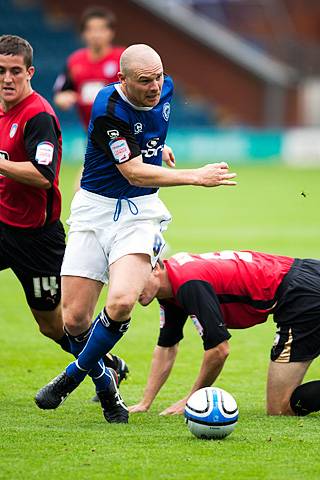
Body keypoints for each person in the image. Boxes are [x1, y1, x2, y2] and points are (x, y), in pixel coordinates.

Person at [35, 44, 237, 424]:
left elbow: (146, 140)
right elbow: (132, 171)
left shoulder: (166, 89)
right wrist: (196, 176)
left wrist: (159, 147)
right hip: (94, 209)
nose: (156, 86)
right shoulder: (108, 107)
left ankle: (71, 376)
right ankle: (105, 385)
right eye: (145, 81)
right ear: (122, 80)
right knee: (74, 319)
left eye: (159, 76)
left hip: (139, 214)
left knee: (123, 301)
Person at [0, 35, 128, 385]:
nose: (7, 78)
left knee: (54, 325)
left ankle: (106, 364)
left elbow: (43, 176)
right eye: (0, 71)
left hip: (35, 239)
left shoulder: (37, 115)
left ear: (30, 72)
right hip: (2, 225)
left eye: (15, 71)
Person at [130, 249, 320, 417]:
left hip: (301, 295)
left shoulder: (189, 283)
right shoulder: (171, 285)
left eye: (135, 279)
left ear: (156, 268)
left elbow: (219, 350)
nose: (130, 288)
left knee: (280, 408)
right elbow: (167, 346)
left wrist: (191, 399)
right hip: (305, 278)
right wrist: (145, 403)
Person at [53, 6, 125, 129]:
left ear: (111, 32)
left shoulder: (123, 58)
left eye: (101, 29)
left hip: (125, 130)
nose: (96, 34)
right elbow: (60, 95)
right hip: (92, 133)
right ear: (83, 33)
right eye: (91, 29)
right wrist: (64, 98)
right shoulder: (74, 61)